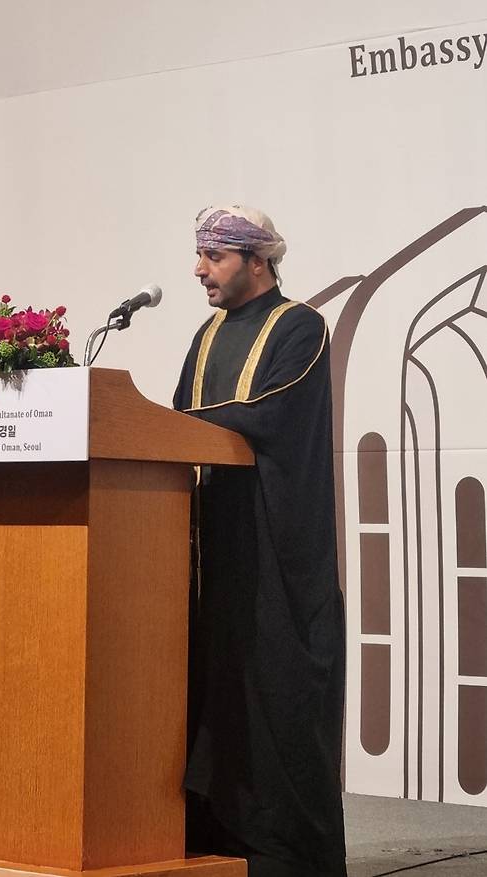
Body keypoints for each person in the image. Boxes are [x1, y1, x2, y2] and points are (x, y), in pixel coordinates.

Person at [173, 205, 347, 877]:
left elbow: (269, 415)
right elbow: (174, 424)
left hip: (279, 553)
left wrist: (178, 420)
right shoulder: (208, 334)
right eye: (200, 255)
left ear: (257, 260)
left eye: (213, 257)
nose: (199, 270)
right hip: (212, 552)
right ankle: (218, 838)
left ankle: (287, 853)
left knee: (279, 694)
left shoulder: (300, 326)